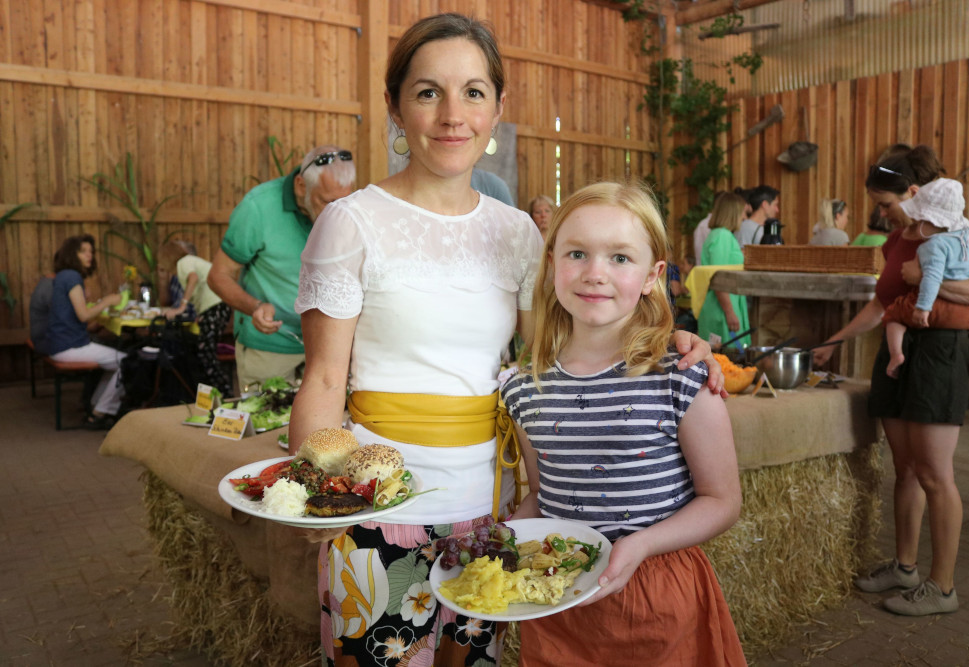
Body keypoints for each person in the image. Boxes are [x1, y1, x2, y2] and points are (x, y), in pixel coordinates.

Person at [288, 14, 724, 666]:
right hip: (378, 507)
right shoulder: (351, 223)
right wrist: (319, 500)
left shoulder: (518, 232)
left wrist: (671, 336)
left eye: (473, 92)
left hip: (492, 518)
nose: (452, 115)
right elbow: (325, 377)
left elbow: (565, 344)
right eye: (428, 92)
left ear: (496, 107)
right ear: (395, 106)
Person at [501, 181, 745, 666]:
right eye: (576, 254)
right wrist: (499, 546)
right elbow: (543, 494)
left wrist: (642, 544)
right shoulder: (524, 388)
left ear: (653, 275)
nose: (595, 273)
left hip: (655, 599)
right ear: (551, 264)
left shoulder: (681, 375)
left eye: (620, 258)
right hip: (558, 603)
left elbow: (723, 501)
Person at [813, 146, 969, 616]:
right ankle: (905, 566)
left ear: (913, 192)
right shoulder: (895, 241)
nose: (881, 213)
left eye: (885, 203)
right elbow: (881, 304)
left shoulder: (959, 233)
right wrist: (834, 341)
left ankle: (943, 587)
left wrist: (924, 278)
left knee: (935, 473)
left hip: (939, 353)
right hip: (898, 351)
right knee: (907, 469)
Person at [207, 144, 355, 392]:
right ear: (301, 186)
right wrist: (255, 307)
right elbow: (218, 276)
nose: (336, 213)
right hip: (270, 348)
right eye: (326, 201)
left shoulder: (346, 210)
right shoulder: (258, 207)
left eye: (343, 202)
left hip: (328, 348)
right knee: (268, 417)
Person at [881, 179, 969, 385]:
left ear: (932, 221)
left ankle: (896, 355)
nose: (917, 223)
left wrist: (923, 308)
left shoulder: (933, 246)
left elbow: (932, 277)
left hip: (936, 309)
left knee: (894, 314)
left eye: (921, 220)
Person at [45, 234, 126, 429]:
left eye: (91, 251)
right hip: (69, 346)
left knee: (115, 358)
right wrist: (107, 301)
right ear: (72, 254)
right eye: (83, 251)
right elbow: (83, 315)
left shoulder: (63, 275)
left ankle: (96, 406)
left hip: (59, 343)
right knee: (125, 362)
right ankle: (99, 412)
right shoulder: (72, 277)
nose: (89, 255)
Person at [159, 240, 234, 396]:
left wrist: (181, 307)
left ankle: (224, 393)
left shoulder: (183, 262)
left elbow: (193, 278)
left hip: (216, 305)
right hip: (218, 306)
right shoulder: (188, 263)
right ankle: (216, 393)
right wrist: (201, 314)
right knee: (204, 351)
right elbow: (201, 288)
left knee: (205, 353)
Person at [699, 192, 750, 347]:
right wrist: (729, 312)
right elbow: (719, 277)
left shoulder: (721, 235)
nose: (744, 217)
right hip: (722, 309)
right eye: (743, 212)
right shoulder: (722, 236)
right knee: (727, 356)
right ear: (733, 213)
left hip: (725, 306)